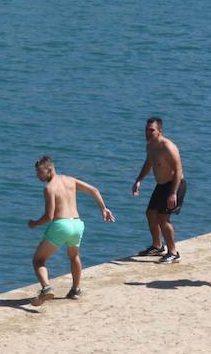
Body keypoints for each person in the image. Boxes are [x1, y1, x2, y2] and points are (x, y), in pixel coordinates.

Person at [26, 157, 115, 306]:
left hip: (61, 225)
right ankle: (75, 289)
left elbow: (49, 216)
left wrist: (35, 223)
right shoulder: (70, 180)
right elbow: (93, 190)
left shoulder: (49, 188)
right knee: (74, 256)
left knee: (38, 260)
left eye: (40, 172)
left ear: (50, 169)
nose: (38, 176)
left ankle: (46, 287)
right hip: (77, 224)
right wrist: (103, 208)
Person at [131, 117, 187, 263]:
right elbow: (149, 163)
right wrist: (139, 180)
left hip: (175, 184)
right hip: (162, 185)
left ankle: (173, 253)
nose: (148, 133)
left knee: (163, 219)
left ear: (160, 131)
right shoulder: (150, 145)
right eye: (147, 129)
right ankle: (157, 246)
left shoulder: (168, 147)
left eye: (152, 130)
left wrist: (173, 193)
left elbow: (178, 170)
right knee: (150, 213)